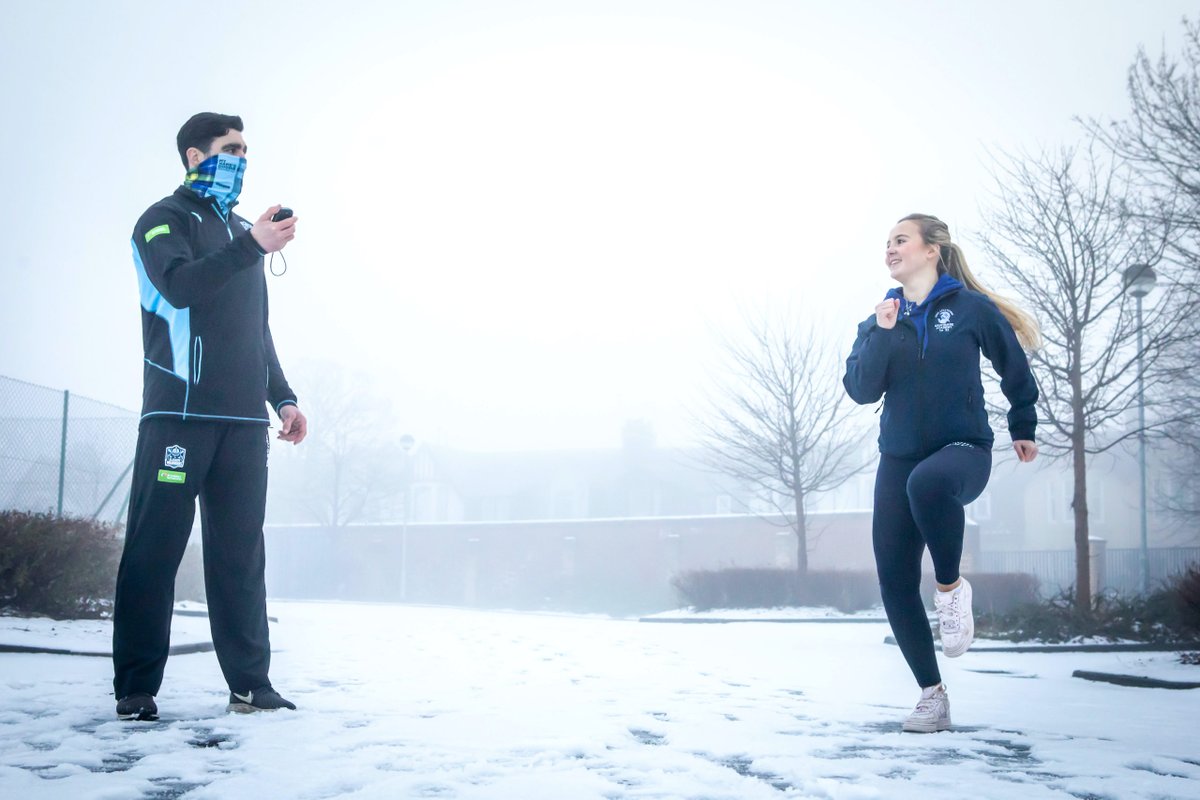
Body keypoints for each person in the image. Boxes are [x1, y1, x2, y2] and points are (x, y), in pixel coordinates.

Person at [112, 112, 307, 720]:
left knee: (240, 554)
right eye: (231, 148)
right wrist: (249, 246)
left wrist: (283, 397)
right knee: (155, 551)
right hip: (179, 416)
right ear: (196, 157)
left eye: (247, 149)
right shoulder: (162, 221)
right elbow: (178, 286)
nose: (242, 159)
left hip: (244, 429)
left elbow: (257, 330)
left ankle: (251, 685)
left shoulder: (244, 231)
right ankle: (136, 690)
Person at [843, 213, 1039, 733]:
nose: (890, 248)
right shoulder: (880, 318)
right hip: (898, 455)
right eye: (886, 242)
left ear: (932, 250)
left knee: (926, 483)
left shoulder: (971, 309)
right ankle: (932, 695)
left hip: (963, 449)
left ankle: (950, 592)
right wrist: (883, 333)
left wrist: (1023, 422)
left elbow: (1014, 366)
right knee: (894, 580)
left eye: (900, 240)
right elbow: (861, 388)